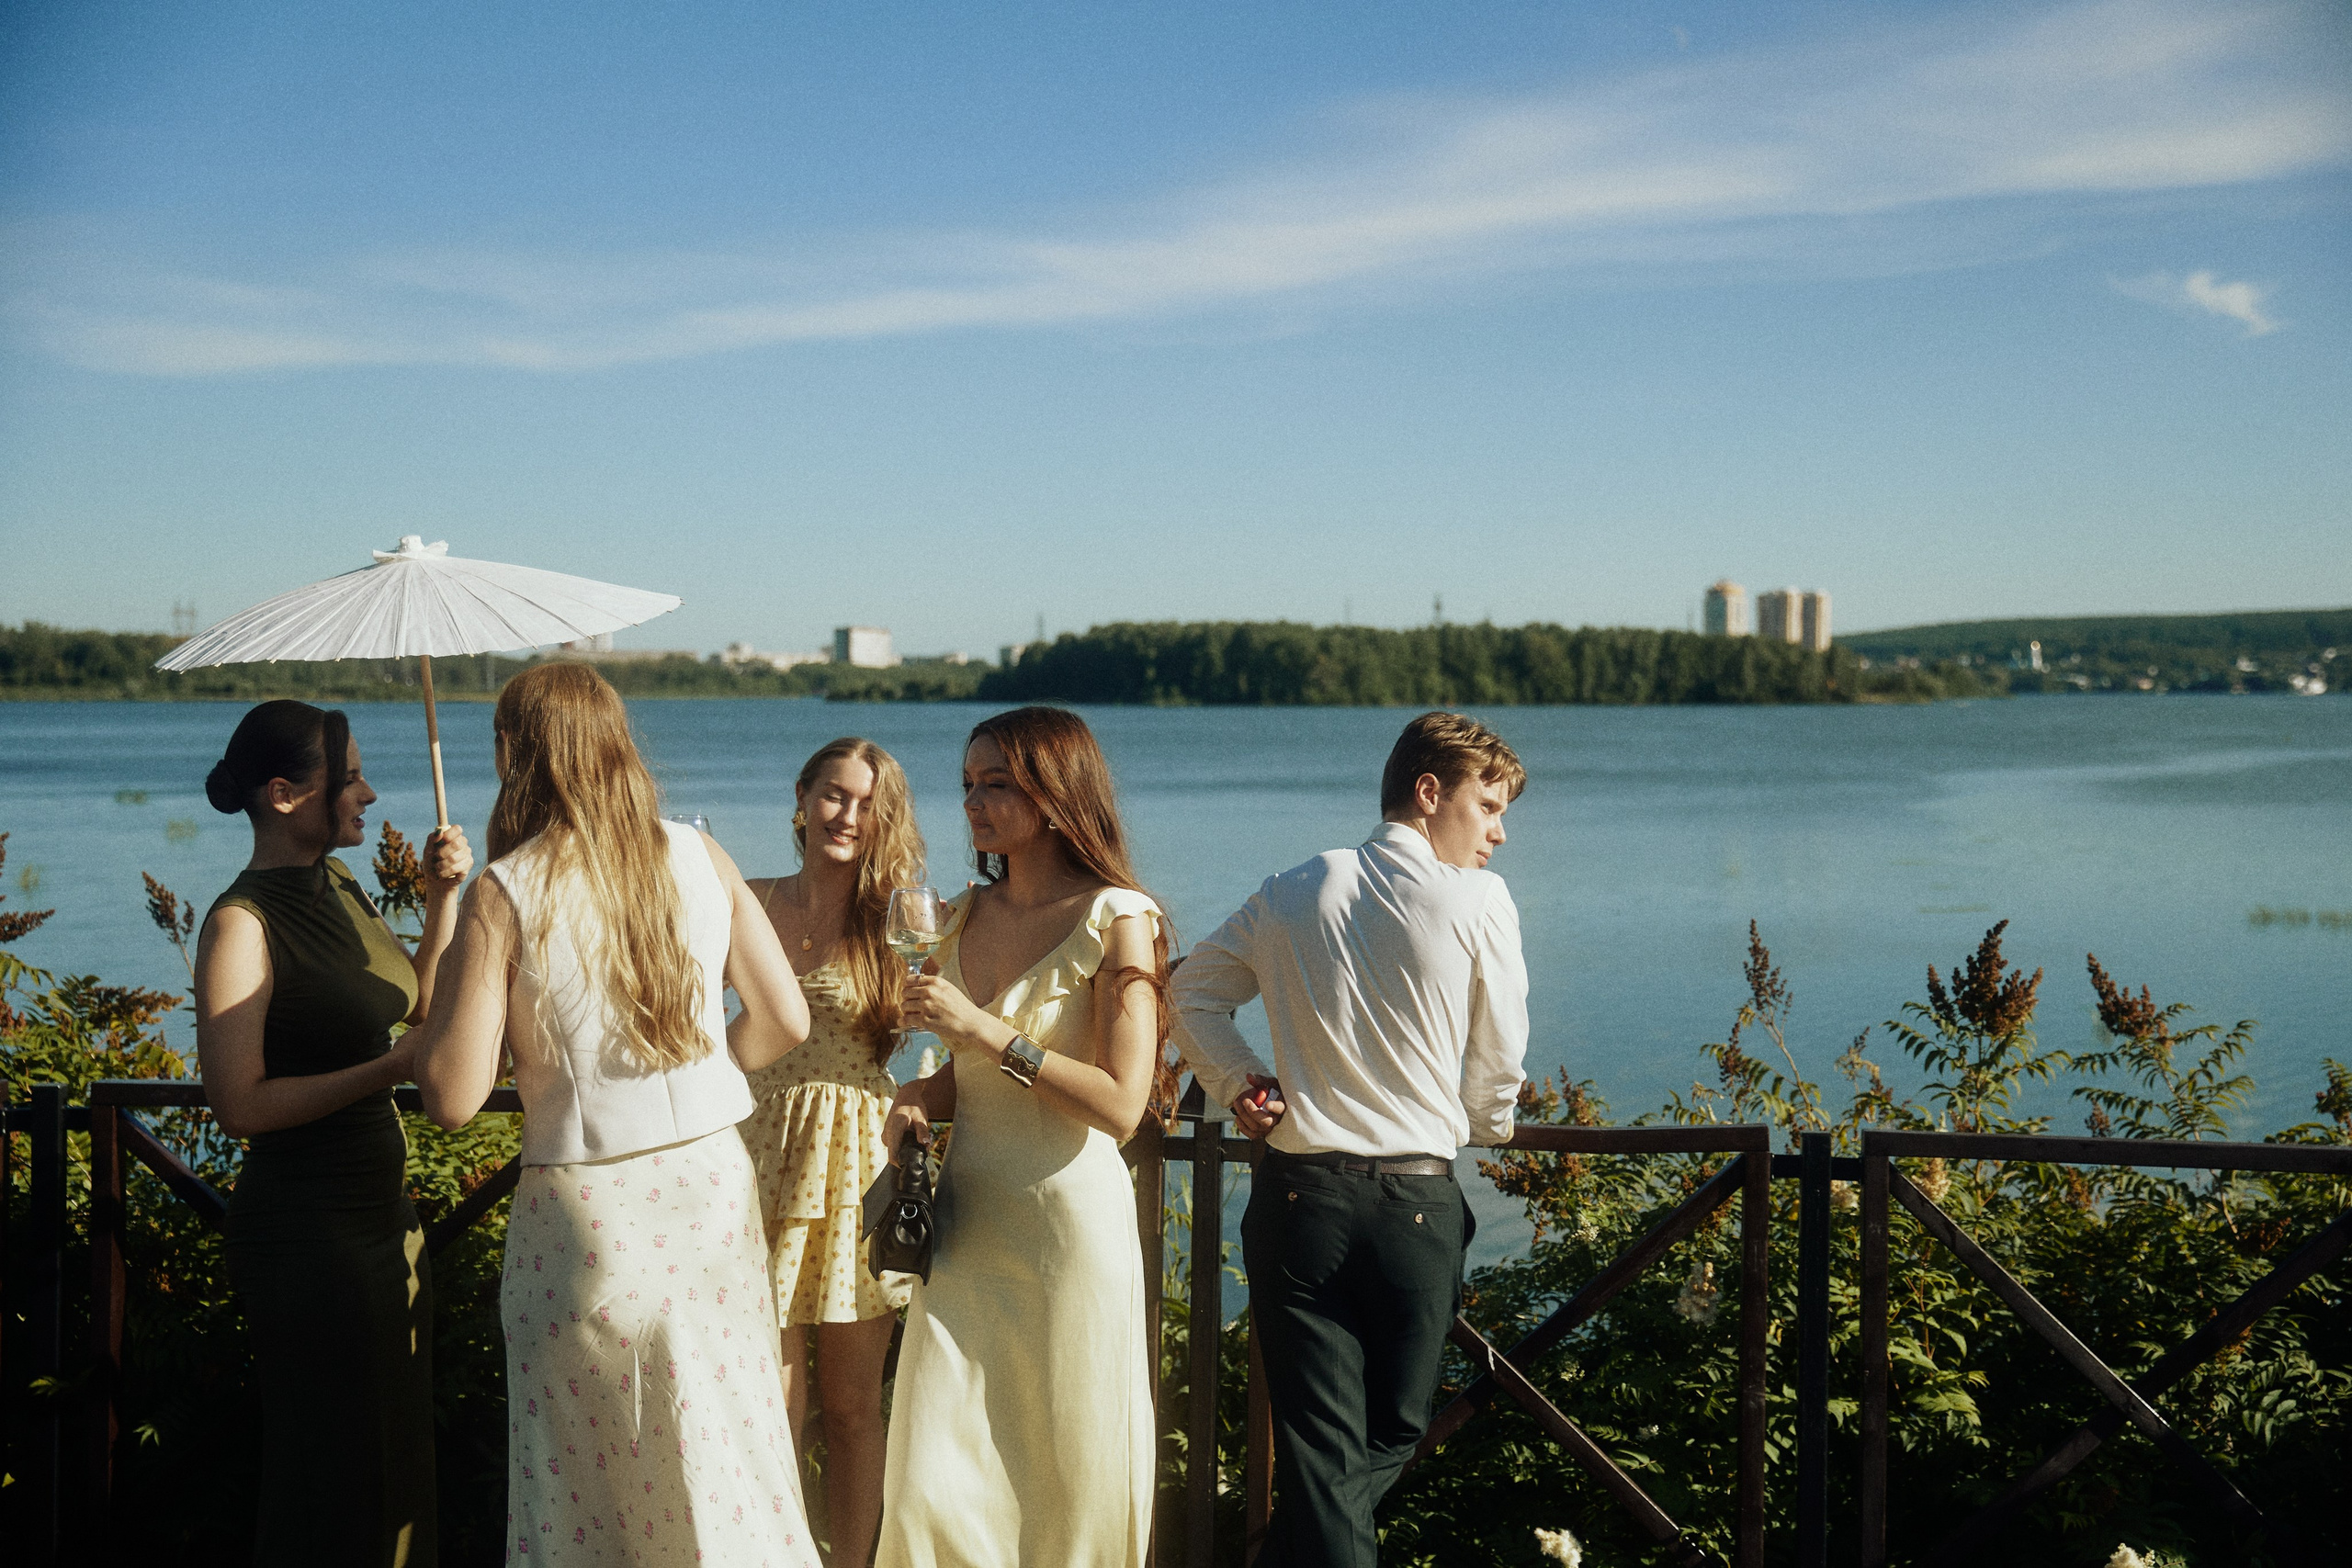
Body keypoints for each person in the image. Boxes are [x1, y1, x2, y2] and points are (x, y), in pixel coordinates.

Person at [405, 662, 821, 1565]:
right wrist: (705, 1076)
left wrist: (449, 929)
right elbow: (787, 1018)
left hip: (588, 1208)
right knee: (726, 1449)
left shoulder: (507, 890)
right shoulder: (700, 854)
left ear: (515, 753)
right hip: (710, 1183)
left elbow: (451, 1095)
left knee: (589, 1482)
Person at [1171, 710, 1531, 1568]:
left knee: (1325, 1461)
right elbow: (1500, 1057)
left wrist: (1240, 1082)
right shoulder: (1479, 900)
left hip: (1300, 1201)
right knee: (1395, 1431)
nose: (1500, 833)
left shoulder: (1295, 885)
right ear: (1428, 790)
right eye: (1489, 806)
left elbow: (1190, 993)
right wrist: (1483, 1125)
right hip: (1415, 1200)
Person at [874, 706, 1170, 1568]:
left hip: (1067, 1235)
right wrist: (917, 1098)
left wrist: (986, 1031)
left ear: (1055, 791)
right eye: (967, 782)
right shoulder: (958, 915)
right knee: (930, 1482)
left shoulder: (1120, 916)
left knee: (1065, 1481)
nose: (973, 800)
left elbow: (1120, 1106)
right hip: (966, 1230)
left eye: (996, 781)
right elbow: (958, 1076)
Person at [193, 699, 471, 1567]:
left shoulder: (341, 886)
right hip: (308, 1236)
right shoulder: (241, 923)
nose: (370, 794)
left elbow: (416, 1004)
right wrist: (387, 1071)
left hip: (385, 1223)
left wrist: (441, 899)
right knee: (334, 1483)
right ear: (283, 794)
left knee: (396, 1473)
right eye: (349, 778)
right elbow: (239, 1105)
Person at [741, 738, 925, 1568]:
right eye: (833, 795)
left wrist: (921, 1107)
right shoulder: (747, 900)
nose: (846, 816)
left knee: (852, 1408)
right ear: (801, 795)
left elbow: (954, 1025)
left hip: (856, 1165)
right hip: (755, 1156)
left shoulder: (899, 917)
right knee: (769, 1401)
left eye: (864, 803)